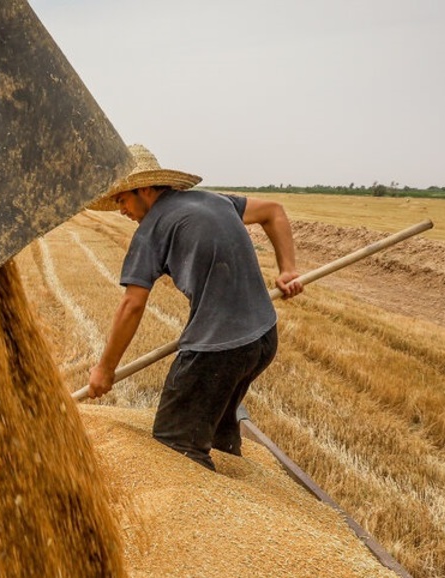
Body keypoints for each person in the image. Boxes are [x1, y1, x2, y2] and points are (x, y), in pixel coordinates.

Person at [86, 144, 302, 471]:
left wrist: (105, 369)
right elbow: (274, 211)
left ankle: (211, 513)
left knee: (176, 442)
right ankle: (235, 474)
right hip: (263, 338)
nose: (121, 209)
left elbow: (132, 305)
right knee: (216, 426)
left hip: (220, 349)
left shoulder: (151, 230)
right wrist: (288, 268)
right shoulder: (213, 200)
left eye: (122, 199)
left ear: (145, 188)